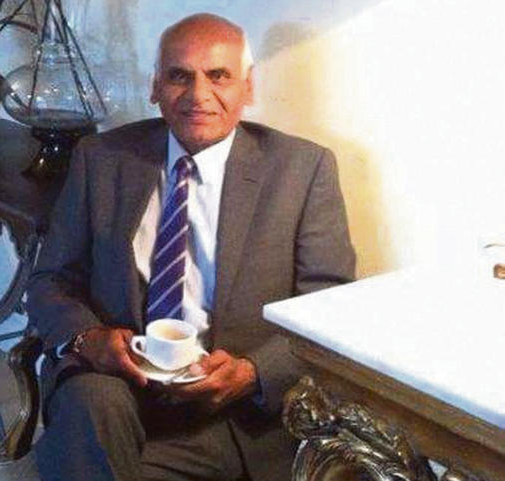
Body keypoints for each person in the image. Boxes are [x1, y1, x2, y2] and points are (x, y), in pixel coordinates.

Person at [26, 12, 355, 481]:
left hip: (234, 412)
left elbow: (329, 308)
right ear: (155, 87)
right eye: (179, 76)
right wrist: (88, 339)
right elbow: (50, 280)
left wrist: (253, 372)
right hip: (116, 386)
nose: (199, 95)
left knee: (85, 459)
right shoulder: (101, 159)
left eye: (218, 76)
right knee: (90, 403)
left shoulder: (302, 170)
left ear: (247, 87)